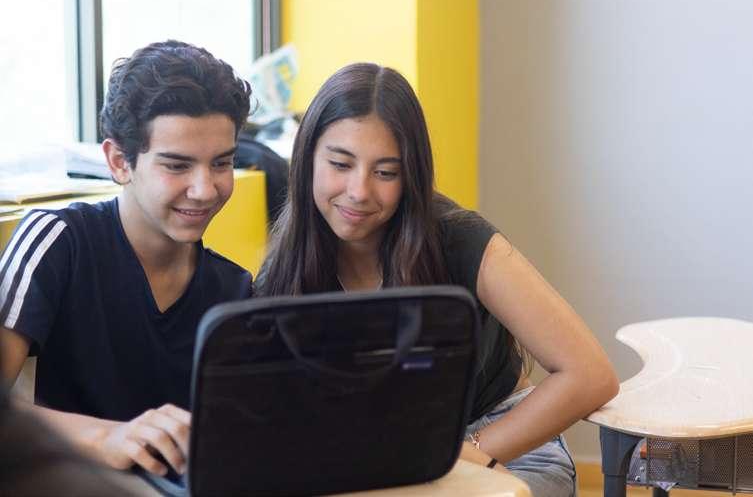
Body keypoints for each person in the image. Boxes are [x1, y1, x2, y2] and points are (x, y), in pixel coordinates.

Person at [255, 63, 619, 496]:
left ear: (411, 175)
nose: (359, 191)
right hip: (382, 460)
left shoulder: (459, 238)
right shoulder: (284, 270)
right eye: (340, 164)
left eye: (385, 172)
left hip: (502, 447)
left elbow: (590, 374)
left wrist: (471, 452)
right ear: (307, 159)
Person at [0, 40, 252, 478]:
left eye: (221, 164)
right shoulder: (57, 240)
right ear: (119, 162)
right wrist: (106, 437)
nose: (205, 189)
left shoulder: (235, 289)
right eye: (177, 166)